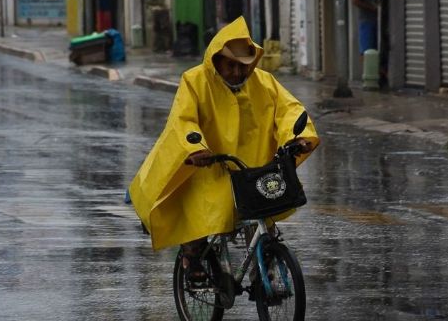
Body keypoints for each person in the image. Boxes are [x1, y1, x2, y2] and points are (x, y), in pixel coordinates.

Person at [128, 16, 319, 281]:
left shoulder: (264, 83)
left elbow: (289, 111)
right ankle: (191, 256)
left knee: (263, 217)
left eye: (244, 66)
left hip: (252, 168)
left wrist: (299, 137)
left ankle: (263, 272)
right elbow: (183, 120)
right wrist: (196, 149)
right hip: (209, 166)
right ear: (216, 59)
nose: (238, 73)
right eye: (231, 66)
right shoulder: (195, 81)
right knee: (201, 214)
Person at [352, 0, 378, 66]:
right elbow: (355, 0)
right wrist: (371, 7)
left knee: (373, 49)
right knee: (366, 49)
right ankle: (367, 73)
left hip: (374, 20)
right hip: (366, 20)